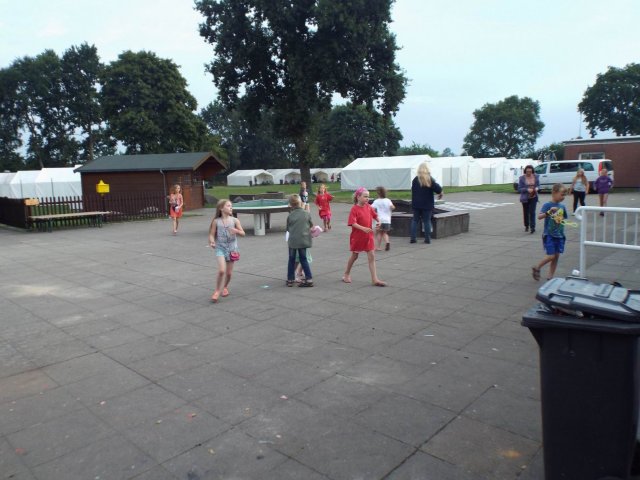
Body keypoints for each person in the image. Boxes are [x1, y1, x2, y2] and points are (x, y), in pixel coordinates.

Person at [342, 187, 386, 286]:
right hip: (357, 237)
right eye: (365, 196)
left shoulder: (368, 207)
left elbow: (375, 215)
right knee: (355, 256)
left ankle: (375, 279)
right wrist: (363, 228)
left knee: (372, 256)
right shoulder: (354, 209)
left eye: (368, 196)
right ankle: (346, 274)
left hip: (368, 236)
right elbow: (352, 223)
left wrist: (379, 221)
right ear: (358, 197)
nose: (367, 198)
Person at [208, 199, 245, 302]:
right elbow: (211, 234)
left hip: (232, 249)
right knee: (221, 270)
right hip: (220, 248)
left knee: (229, 274)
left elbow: (243, 233)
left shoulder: (235, 220)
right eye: (228, 206)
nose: (231, 207)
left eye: (231, 206)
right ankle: (217, 291)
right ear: (221, 208)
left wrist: (236, 231)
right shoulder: (216, 221)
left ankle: (225, 287)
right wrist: (212, 242)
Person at [532, 184, 568, 281]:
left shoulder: (562, 206)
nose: (563, 197)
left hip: (559, 235)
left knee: (556, 256)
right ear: (554, 193)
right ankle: (537, 267)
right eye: (562, 194)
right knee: (551, 256)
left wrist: (560, 219)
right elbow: (539, 217)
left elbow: (563, 219)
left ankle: (550, 276)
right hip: (549, 235)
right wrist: (549, 212)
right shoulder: (547, 205)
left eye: (564, 195)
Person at [410, 162, 443, 244]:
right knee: (427, 221)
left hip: (416, 204)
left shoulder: (415, 180)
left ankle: (413, 238)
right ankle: (427, 239)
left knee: (415, 220)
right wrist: (440, 193)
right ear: (427, 170)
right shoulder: (429, 179)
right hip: (427, 204)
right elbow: (438, 189)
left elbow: (413, 191)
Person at [286, 194, 314, 287]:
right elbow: (311, 225)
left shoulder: (290, 216)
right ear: (300, 202)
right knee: (303, 259)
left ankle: (290, 279)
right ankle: (309, 279)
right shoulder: (306, 213)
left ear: (291, 204)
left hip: (293, 241)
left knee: (291, 260)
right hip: (303, 240)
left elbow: (288, 229)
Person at [372, 186, 395, 251]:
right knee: (385, 233)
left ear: (378, 193)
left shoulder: (376, 201)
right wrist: (391, 208)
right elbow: (393, 207)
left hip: (379, 220)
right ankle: (387, 242)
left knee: (379, 233)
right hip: (387, 220)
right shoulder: (388, 200)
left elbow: (371, 208)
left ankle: (378, 247)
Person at [518, 165, 539, 233]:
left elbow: (538, 185)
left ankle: (532, 227)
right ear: (525, 171)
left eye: (530, 171)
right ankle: (526, 225)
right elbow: (519, 189)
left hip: (534, 197)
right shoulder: (522, 178)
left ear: (532, 171)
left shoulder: (536, 177)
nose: (529, 173)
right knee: (526, 212)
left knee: (532, 212)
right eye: (527, 171)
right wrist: (527, 189)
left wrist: (537, 188)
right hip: (525, 198)